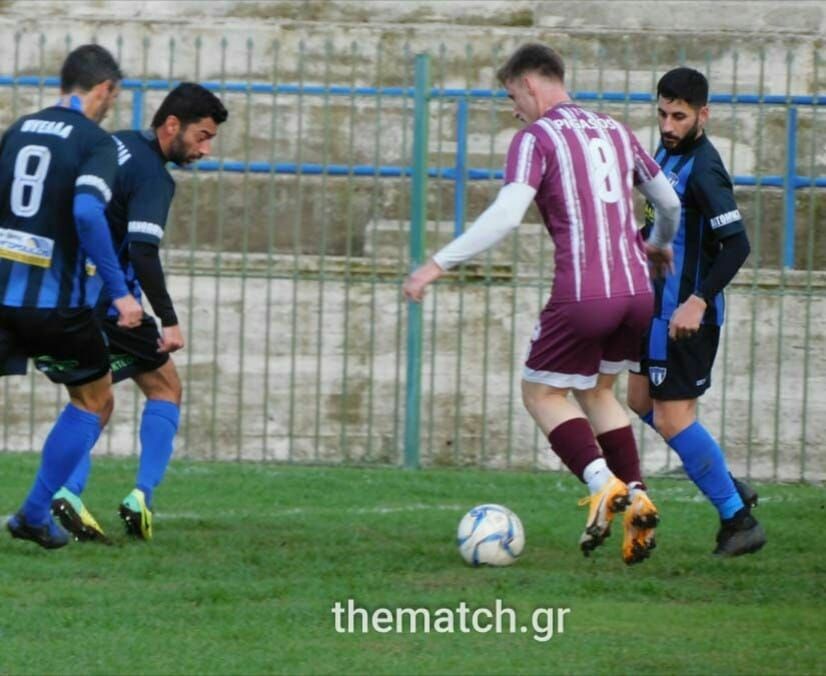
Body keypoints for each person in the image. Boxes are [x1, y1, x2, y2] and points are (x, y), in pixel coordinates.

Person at [403, 43, 682, 564]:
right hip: (637, 292)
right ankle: (637, 496)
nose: (514, 110)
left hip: (584, 294)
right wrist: (659, 244)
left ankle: (602, 484)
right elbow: (667, 201)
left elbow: (508, 214)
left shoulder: (536, 138)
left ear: (530, 84)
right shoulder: (616, 130)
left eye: (513, 96)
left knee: (540, 392)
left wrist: (437, 264)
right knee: (598, 391)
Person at [50, 83, 228, 542]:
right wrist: (169, 320)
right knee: (166, 387)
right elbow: (144, 251)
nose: (206, 149)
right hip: (110, 302)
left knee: (94, 399)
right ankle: (139, 495)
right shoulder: (154, 177)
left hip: (64, 294)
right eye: (203, 136)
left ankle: (67, 492)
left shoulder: (116, 144)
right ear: (173, 125)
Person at [1, 44, 143, 549]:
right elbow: (86, 212)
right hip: (53, 304)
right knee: (94, 398)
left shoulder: (19, 130)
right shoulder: (94, 141)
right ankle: (35, 513)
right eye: (113, 97)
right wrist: (121, 293)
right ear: (104, 88)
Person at [627, 67, 765, 557]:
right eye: (663, 114)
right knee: (639, 400)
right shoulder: (666, 151)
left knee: (671, 418)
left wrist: (699, 299)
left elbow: (737, 245)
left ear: (703, 115)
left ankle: (738, 519)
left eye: (679, 117)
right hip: (655, 309)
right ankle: (724, 480)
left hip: (685, 317)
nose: (668, 125)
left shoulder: (704, 170)